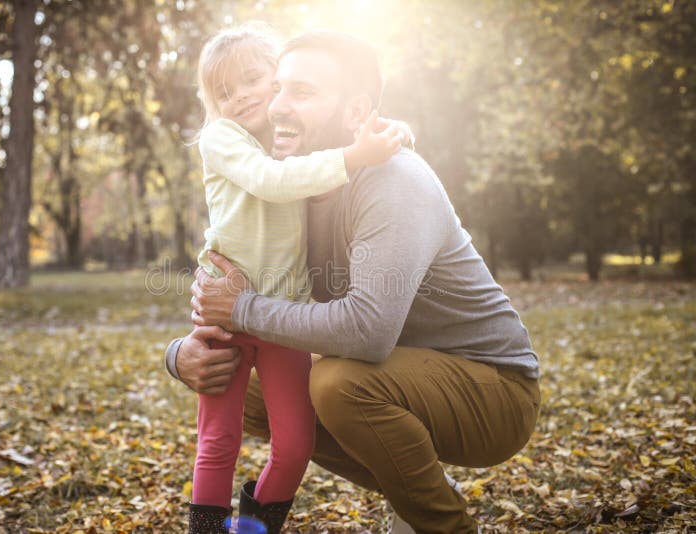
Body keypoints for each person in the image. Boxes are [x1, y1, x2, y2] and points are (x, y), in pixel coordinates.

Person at [169, 30, 540, 533]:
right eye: (277, 88)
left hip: (494, 390)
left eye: (301, 93)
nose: (276, 106)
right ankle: (414, 481)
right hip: (399, 372)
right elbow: (240, 264)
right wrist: (182, 351)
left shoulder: (392, 180)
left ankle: (441, 523)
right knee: (255, 388)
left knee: (337, 384)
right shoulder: (291, 183)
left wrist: (238, 309)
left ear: (355, 112)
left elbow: (366, 332)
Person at [187, 25, 403, 534]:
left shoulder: (293, 142)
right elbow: (271, 182)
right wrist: (353, 158)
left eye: (252, 80)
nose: (239, 97)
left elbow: (345, 128)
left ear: (277, 81)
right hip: (227, 310)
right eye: (224, 91)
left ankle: (255, 528)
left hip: (284, 315)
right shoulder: (222, 139)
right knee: (219, 441)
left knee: (296, 445)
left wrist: (388, 135)